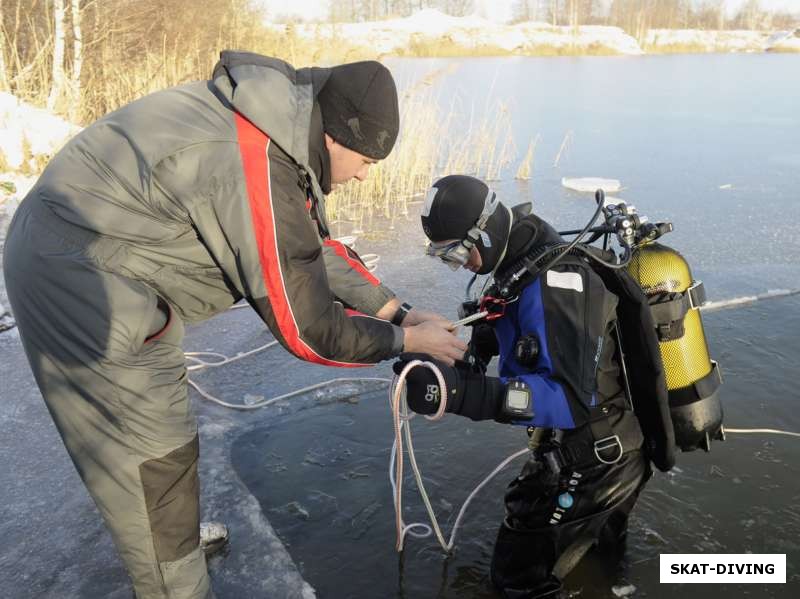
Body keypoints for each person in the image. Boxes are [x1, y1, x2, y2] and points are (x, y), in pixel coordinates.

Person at [2, 52, 466, 599]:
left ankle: (172, 545)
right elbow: (310, 329)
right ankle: (172, 577)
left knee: (167, 437)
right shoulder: (255, 158)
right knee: (154, 461)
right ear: (338, 137)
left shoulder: (279, 126)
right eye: (366, 159)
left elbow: (308, 251)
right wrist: (407, 342)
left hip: (112, 259)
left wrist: (398, 310)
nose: (366, 173)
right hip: (81, 279)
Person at [394, 175, 654, 598]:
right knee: (598, 565)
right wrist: (447, 361)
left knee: (516, 580)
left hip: (597, 459)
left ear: (485, 229)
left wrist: (459, 394)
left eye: (458, 251)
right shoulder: (521, 261)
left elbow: (565, 400)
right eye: (444, 257)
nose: (459, 264)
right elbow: (505, 334)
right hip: (610, 447)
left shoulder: (555, 283)